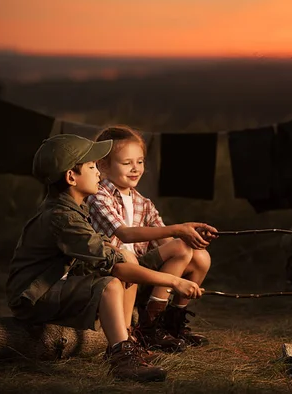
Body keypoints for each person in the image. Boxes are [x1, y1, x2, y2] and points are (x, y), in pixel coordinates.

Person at [6, 134, 205, 383]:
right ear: (71, 177)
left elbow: (108, 255)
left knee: (120, 261)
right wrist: (174, 282)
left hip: (52, 284)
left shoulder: (74, 209)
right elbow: (117, 267)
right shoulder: (63, 217)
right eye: (91, 167)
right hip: (34, 295)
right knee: (109, 284)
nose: (98, 172)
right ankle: (122, 357)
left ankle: (131, 340)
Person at [87, 125, 217, 352]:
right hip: (113, 268)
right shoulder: (99, 195)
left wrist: (192, 238)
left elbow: (168, 244)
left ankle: (172, 323)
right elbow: (124, 233)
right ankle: (149, 326)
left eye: (140, 161)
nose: (135, 168)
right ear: (104, 165)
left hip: (141, 268)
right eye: (127, 163)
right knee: (181, 247)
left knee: (200, 256)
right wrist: (178, 231)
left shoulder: (143, 203)